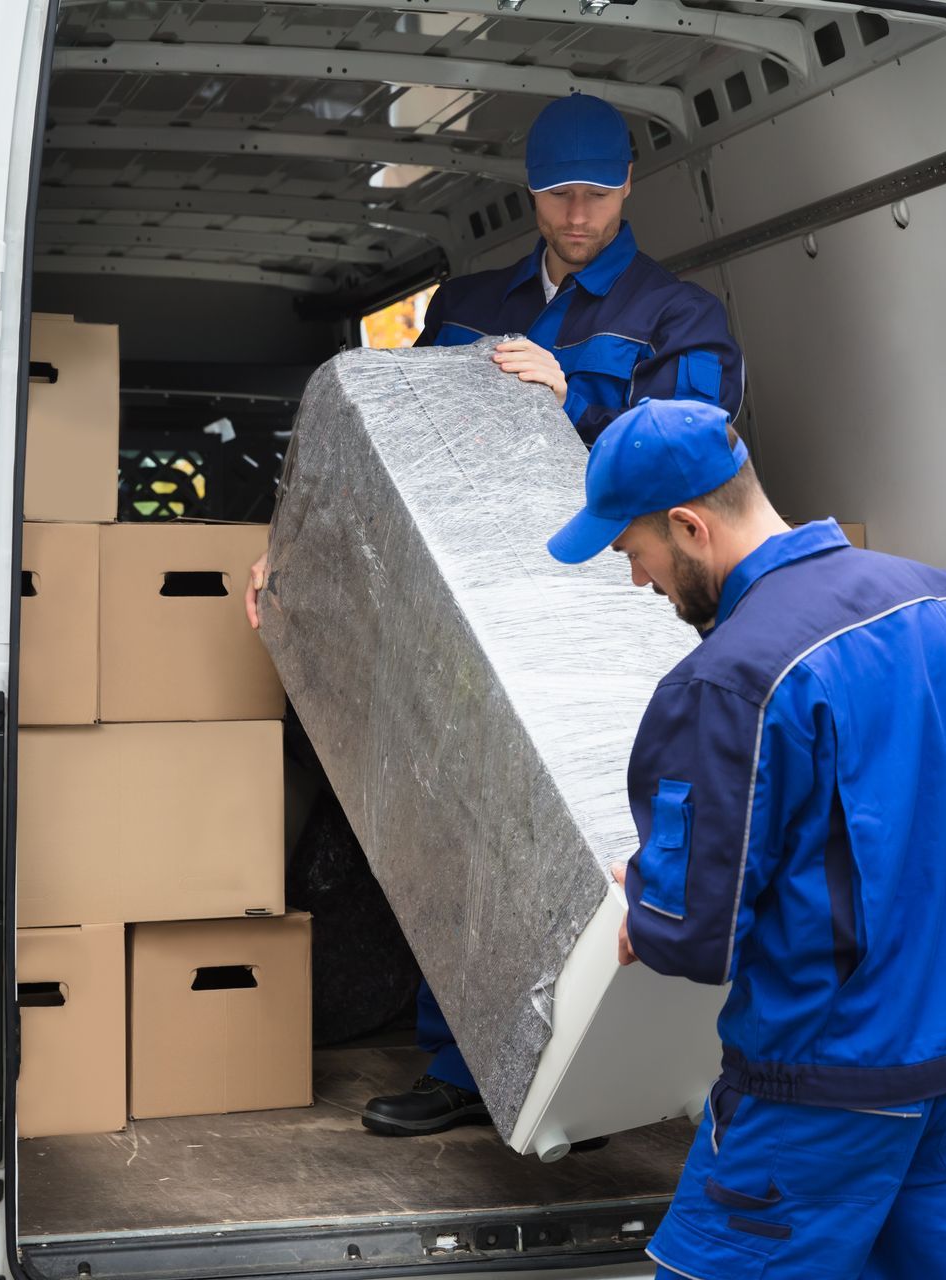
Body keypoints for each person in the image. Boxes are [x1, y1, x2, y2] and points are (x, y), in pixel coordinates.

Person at [245, 95, 745, 1139]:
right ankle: (461, 1060)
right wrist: (300, 552)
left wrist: (574, 398)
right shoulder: (470, 301)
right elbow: (395, 447)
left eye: (596, 196)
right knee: (457, 824)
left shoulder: (679, 316)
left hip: (608, 617)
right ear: (530, 193)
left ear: (627, 188)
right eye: (558, 197)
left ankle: (605, 1070)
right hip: (465, 614)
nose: (576, 217)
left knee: (608, 840)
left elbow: (701, 454)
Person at [545, 399, 946, 1277]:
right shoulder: (943, 604)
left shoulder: (730, 681)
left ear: (688, 527)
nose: (638, 582)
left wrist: (643, 902)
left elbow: (694, 933)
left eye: (634, 554)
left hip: (819, 1096)